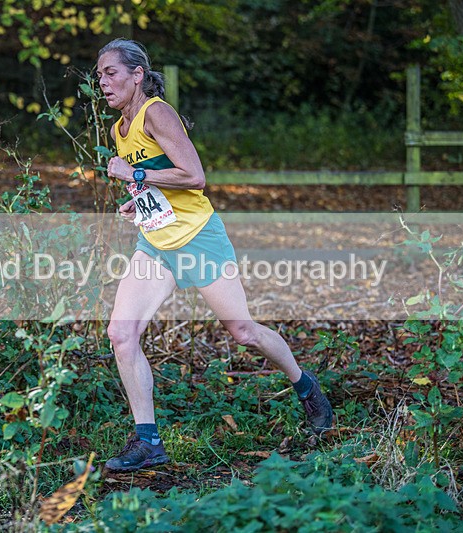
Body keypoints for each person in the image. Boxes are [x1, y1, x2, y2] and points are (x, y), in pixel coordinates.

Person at [97, 38, 333, 473]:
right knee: (121, 334)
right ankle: (148, 441)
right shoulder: (119, 128)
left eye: (111, 73)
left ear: (137, 75)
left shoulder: (157, 113)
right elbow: (159, 180)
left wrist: (135, 172)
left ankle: (306, 388)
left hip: (198, 239)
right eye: (99, 75)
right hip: (156, 242)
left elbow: (194, 176)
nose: (103, 82)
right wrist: (139, 195)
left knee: (243, 331)